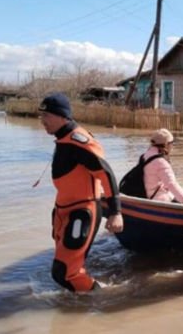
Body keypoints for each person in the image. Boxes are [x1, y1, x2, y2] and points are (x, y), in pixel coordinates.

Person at [39, 93, 123, 292]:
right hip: (64, 211)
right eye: (41, 116)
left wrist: (115, 212)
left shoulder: (79, 141)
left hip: (82, 211)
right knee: (63, 269)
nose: (42, 121)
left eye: (47, 116)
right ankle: (79, 305)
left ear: (62, 116)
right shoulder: (63, 138)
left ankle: (101, 298)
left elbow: (106, 174)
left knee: (65, 273)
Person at [143, 129, 183, 210]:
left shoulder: (145, 156)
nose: (172, 146)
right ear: (166, 144)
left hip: (147, 194)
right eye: (172, 143)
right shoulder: (161, 162)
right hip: (161, 200)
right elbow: (171, 183)